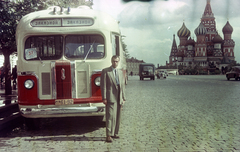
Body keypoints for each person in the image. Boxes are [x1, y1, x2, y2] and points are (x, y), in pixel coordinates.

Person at [100, 55, 126, 143]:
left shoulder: (120, 72)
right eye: (114, 61)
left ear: (119, 62)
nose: (115, 63)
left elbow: (122, 86)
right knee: (110, 116)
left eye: (117, 61)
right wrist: (104, 98)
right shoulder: (106, 71)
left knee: (118, 116)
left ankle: (115, 133)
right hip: (110, 96)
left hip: (119, 96)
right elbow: (103, 86)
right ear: (111, 61)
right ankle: (108, 135)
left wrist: (123, 97)